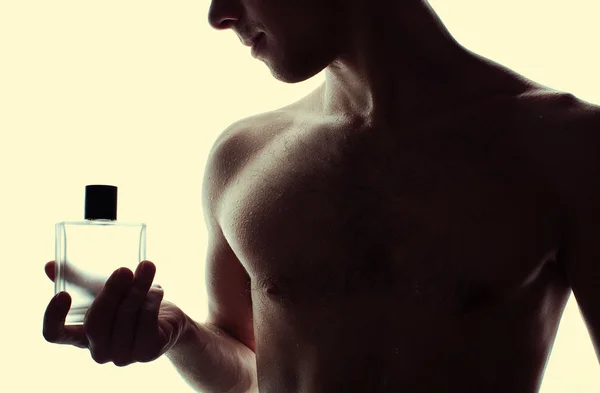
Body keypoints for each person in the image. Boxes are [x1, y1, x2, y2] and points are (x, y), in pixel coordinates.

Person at [43, 0, 600, 392]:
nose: (218, 14)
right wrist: (179, 336)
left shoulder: (567, 146)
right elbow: (247, 375)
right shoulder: (243, 156)